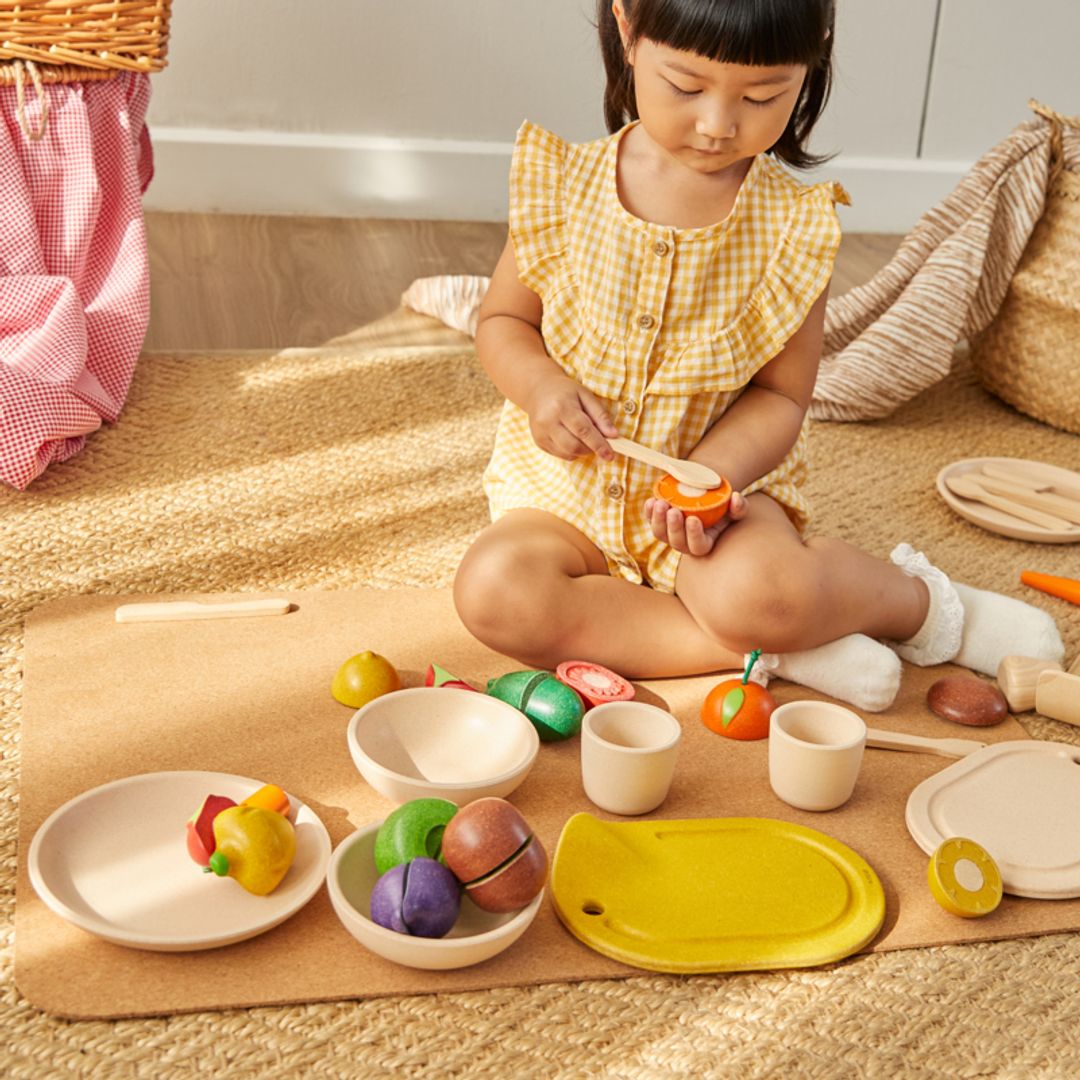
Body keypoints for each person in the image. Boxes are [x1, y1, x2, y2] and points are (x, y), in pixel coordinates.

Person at [453, 0, 1063, 709]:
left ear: (812, 59)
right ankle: (779, 649)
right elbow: (504, 320)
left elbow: (781, 396)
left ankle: (919, 606)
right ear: (627, 30)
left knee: (765, 595)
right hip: (565, 501)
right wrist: (540, 388)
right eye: (685, 86)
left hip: (723, 506)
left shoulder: (793, 228)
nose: (719, 124)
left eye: (762, 96)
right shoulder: (563, 185)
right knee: (494, 593)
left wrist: (711, 482)